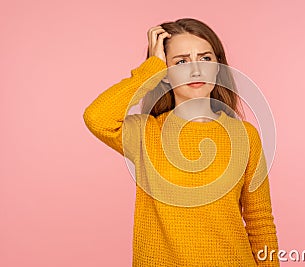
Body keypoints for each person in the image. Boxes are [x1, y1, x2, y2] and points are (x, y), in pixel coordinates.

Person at [83, 18, 279, 266]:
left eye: (205, 59)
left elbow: (259, 221)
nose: (196, 70)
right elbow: (97, 117)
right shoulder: (146, 133)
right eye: (181, 62)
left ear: (218, 67)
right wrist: (149, 69)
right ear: (164, 74)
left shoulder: (245, 135)